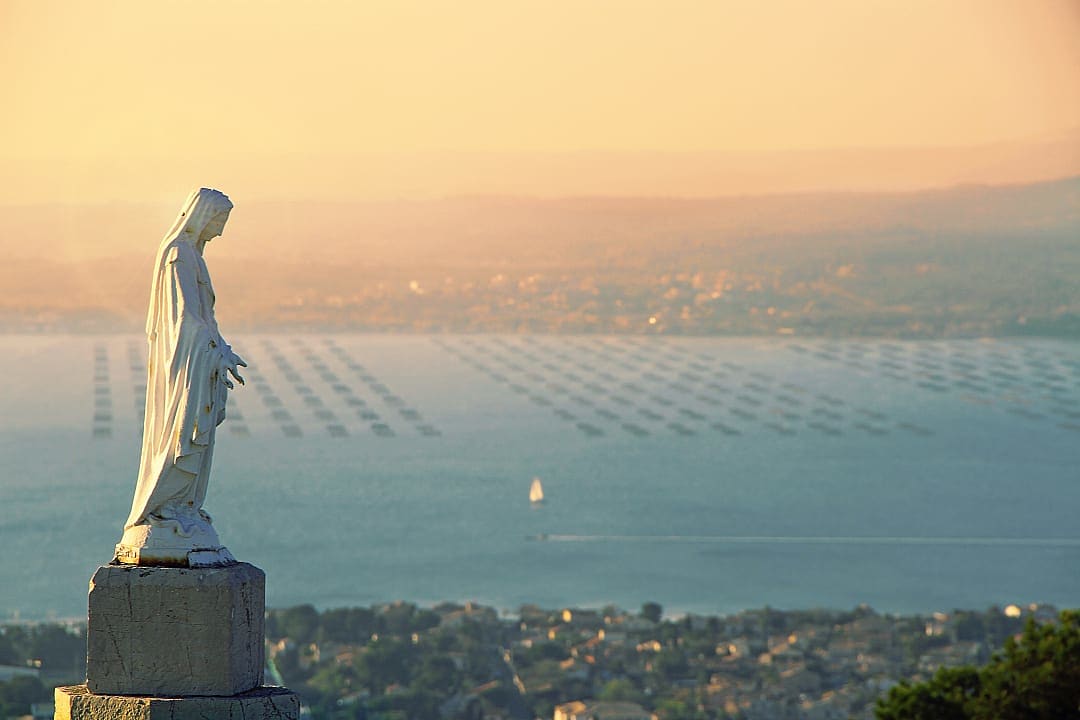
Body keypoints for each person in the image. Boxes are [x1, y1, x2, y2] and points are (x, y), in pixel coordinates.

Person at [114, 188, 246, 566]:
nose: (219, 232)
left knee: (195, 438)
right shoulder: (178, 255)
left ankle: (184, 506)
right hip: (185, 365)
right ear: (202, 215)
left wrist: (221, 348)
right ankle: (166, 509)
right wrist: (214, 351)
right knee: (180, 432)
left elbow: (204, 319)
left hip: (199, 359)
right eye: (218, 222)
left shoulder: (192, 256)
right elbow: (185, 320)